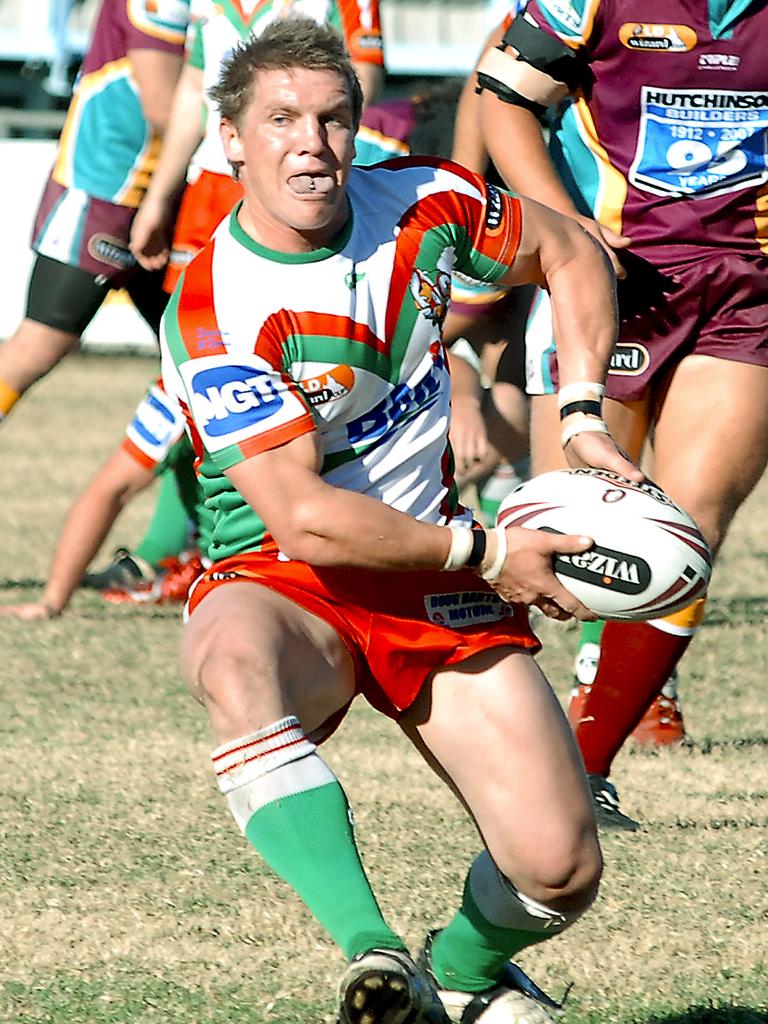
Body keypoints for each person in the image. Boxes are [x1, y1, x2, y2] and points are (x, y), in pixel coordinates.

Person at [160, 17, 644, 1023]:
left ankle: (463, 972)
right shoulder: (214, 306)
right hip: (289, 576)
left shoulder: (426, 199)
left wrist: (586, 411)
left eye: (333, 117)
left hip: (436, 573)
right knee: (231, 662)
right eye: (282, 119)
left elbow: (570, 252)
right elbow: (308, 517)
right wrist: (492, 546)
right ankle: (372, 954)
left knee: (561, 867)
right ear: (233, 142)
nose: (312, 141)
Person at [475, 0, 768, 829]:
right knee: (563, 531)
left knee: (688, 529)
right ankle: (493, 730)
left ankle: (581, 768)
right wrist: (565, 227)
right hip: (611, 274)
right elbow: (501, 93)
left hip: (747, 287)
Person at [0, 0, 189, 425]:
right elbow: (162, 107)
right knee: (40, 342)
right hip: (107, 190)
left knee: (201, 357)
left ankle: (188, 489)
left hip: (171, 193)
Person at [0, 379, 207, 620]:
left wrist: (52, 601)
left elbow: (113, 489)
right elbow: (112, 490)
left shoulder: (191, 380)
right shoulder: (189, 383)